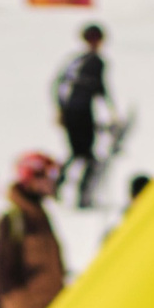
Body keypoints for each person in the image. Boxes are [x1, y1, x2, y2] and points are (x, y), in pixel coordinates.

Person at [0, 154, 68, 308]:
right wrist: (14, 307)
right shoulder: (15, 220)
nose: (50, 184)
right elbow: (1, 270)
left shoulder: (38, 215)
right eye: (45, 178)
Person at [54, 23, 112, 210]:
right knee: (87, 155)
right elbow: (100, 89)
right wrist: (112, 113)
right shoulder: (96, 62)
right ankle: (82, 196)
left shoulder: (75, 61)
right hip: (82, 112)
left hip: (71, 111)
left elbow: (57, 85)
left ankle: (57, 186)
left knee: (77, 153)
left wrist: (61, 110)